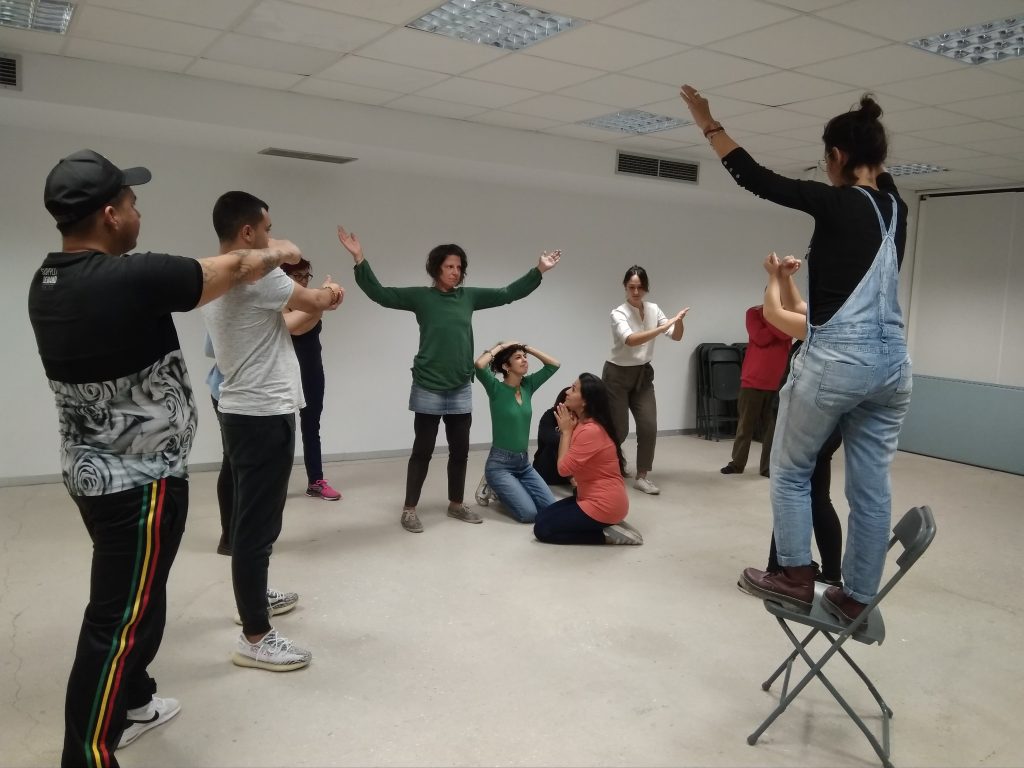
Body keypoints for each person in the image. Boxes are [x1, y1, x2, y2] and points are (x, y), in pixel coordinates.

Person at [28, 149, 302, 767]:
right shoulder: (128, 277)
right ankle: (89, 753)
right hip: (138, 486)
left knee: (140, 601)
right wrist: (280, 249)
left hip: (98, 474)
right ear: (108, 214)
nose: (137, 212)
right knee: (116, 622)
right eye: (130, 203)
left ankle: (135, 701)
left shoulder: (47, 280)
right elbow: (236, 264)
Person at [681, 86, 912, 624]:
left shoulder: (834, 201)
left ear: (836, 157)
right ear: (878, 159)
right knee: (871, 490)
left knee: (790, 468)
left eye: (826, 158)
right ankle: (856, 594)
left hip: (837, 362)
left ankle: (793, 575)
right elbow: (877, 172)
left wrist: (708, 123)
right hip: (894, 367)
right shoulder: (898, 209)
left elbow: (755, 177)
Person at [337, 225, 561, 533]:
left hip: (459, 387)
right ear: (436, 269)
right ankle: (409, 509)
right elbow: (381, 294)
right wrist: (359, 258)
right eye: (449, 267)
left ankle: (456, 504)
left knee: (460, 451)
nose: (455, 272)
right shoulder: (421, 298)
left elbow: (508, 294)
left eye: (459, 267)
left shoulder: (468, 297)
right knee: (423, 451)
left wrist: (539, 270)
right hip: (427, 385)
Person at [202, 191, 343, 673]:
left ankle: (254, 598)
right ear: (247, 233)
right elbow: (312, 296)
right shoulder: (256, 277)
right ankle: (255, 636)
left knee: (251, 521)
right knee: (257, 528)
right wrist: (330, 295)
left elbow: (292, 324)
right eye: (264, 228)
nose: (270, 236)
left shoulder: (222, 277)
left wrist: (321, 303)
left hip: (248, 412)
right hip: (261, 416)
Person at [602, 266, 689, 495]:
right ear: (625, 287)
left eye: (640, 287)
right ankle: (606, 468)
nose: (636, 291)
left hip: (642, 376)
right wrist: (662, 327)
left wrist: (677, 321)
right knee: (618, 431)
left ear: (646, 288)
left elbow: (676, 336)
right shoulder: (618, 313)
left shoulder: (653, 309)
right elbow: (631, 340)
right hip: (616, 376)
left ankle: (642, 476)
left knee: (649, 426)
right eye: (632, 287)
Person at [533, 374, 641, 546]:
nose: (567, 392)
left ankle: (607, 534)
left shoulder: (591, 431)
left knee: (543, 530)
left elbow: (563, 469)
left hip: (604, 504)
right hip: (588, 497)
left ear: (585, 402)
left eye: (573, 389)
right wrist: (570, 430)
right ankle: (606, 524)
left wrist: (566, 432)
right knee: (541, 517)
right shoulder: (584, 425)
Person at [473, 342, 560, 523]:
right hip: (499, 465)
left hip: (523, 464)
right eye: (518, 357)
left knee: (551, 508)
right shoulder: (496, 388)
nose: (525, 360)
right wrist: (501, 346)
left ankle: (508, 487)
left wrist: (527, 348)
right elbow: (480, 365)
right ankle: (493, 484)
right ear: (506, 366)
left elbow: (554, 365)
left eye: (525, 357)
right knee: (529, 514)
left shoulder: (528, 385)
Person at [280, 258, 343, 501]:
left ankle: (315, 481)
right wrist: (321, 303)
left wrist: (317, 303)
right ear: (284, 278)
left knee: (311, 425)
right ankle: (275, 484)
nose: (305, 281)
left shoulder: (310, 300)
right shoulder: (279, 300)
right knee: (282, 429)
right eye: (298, 276)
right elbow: (294, 329)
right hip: (283, 373)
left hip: (312, 371)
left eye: (307, 276)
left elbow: (305, 323)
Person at [720, 303, 792, 478]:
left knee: (772, 429)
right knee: (745, 425)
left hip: (778, 380)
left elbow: (786, 333)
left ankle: (767, 467)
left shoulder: (790, 315)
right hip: (753, 379)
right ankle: (737, 463)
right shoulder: (753, 312)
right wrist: (777, 320)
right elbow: (760, 337)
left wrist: (773, 321)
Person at [204, 335, 234, 555]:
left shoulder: (217, 300)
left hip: (225, 388)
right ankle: (232, 538)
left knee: (233, 460)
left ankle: (232, 537)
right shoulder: (223, 300)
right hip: (232, 390)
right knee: (234, 462)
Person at [532, 387, 572, 487]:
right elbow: (551, 439)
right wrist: (566, 431)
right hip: (548, 469)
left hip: (569, 469)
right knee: (556, 445)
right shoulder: (550, 415)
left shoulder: (582, 417)